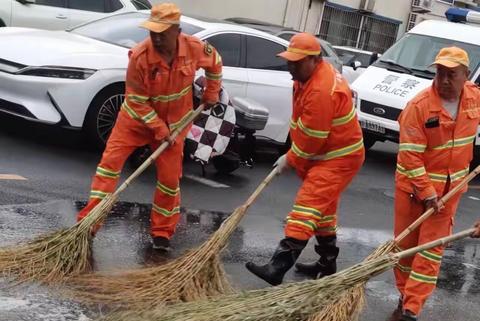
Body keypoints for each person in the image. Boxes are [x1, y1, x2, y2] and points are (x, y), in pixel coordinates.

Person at [77, 3, 222, 251]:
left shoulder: (195, 48)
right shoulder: (140, 56)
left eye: (161, 32)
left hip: (175, 123)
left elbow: (216, 62)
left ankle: (162, 233)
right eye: (152, 31)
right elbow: (136, 100)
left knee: (169, 181)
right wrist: (158, 127)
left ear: (176, 30)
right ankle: (89, 225)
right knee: (108, 169)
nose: (155, 37)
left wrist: (211, 92)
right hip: (135, 122)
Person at [245, 33, 364, 286]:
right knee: (323, 211)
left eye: (297, 62)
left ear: (314, 60)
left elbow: (312, 139)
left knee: (306, 208)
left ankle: (278, 267)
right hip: (327, 153)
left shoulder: (322, 90)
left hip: (338, 157)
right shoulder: (306, 76)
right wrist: (294, 155)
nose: (291, 66)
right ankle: (327, 263)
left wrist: (290, 158)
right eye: (289, 61)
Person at [394, 46, 480, 321]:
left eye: (451, 74)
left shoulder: (474, 100)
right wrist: (427, 192)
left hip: (451, 191)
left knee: (430, 249)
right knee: (405, 248)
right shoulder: (419, 107)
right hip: (412, 188)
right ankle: (404, 293)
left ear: (466, 75)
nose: (443, 79)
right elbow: (410, 155)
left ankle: (413, 306)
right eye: (440, 72)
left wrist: (440, 195)